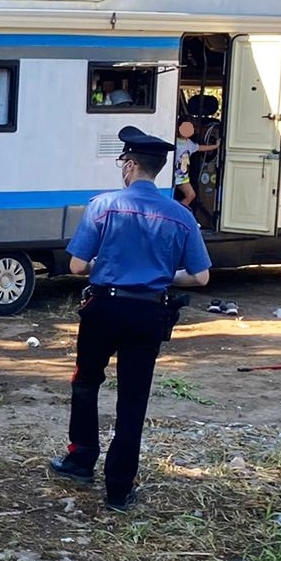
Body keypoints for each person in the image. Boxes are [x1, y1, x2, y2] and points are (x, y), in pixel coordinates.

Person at [49, 125, 211, 511]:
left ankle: (81, 458)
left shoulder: (102, 206)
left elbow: (75, 265)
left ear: (131, 165)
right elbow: (201, 276)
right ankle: (120, 488)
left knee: (86, 382)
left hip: (104, 307)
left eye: (123, 160)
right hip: (149, 312)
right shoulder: (180, 215)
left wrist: (109, 267)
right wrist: (159, 274)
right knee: (133, 399)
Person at [174, 119, 220, 209]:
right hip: (172, 174)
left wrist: (215, 146)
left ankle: (179, 211)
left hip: (182, 176)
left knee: (191, 195)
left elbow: (199, 147)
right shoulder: (173, 140)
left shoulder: (189, 143)